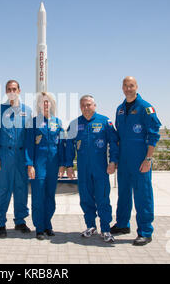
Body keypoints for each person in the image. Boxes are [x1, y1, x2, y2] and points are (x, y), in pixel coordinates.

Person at [110, 76, 162, 246]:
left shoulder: (146, 108)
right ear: (122, 88)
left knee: (142, 195)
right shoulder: (119, 109)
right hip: (124, 160)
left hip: (140, 160)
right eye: (125, 86)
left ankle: (145, 231)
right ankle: (123, 224)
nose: (128, 88)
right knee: (123, 194)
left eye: (131, 85)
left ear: (136, 87)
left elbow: (153, 135)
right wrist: (115, 159)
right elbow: (118, 136)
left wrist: (148, 159)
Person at [66, 95, 118, 243]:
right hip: (83, 169)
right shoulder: (74, 124)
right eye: (83, 105)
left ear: (94, 105)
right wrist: (69, 165)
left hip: (100, 168)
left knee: (102, 198)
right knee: (86, 198)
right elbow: (68, 146)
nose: (86, 108)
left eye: (89, 105)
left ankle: (105, 229)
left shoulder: (104, 122)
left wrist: (113, 161)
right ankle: (90, 226)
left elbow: (114, 143)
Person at [0, 80, 33, 237]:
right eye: (9, 89)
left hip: (21, 156)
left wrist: (30, 162)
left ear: (19, 90)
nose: (12, 91)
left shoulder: (27, 111)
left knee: (21, 189)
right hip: (4, 156)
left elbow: (29, 138)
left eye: (14, 88)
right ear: (6, 92)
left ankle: (20, 221)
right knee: (2, 189)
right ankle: (0, 223)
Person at [25, 92, 65, 240]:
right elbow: (29, 145)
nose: (45, 104)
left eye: (48, 101)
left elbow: (61, 145)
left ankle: (48, 224)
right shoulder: (33, 122)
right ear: (39, 105)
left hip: (53, 164)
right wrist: (30, 164)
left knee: (50, 196)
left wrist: (62, 164)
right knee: (38, 195)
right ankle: (39, 228)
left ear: (52, 104)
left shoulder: (58, 122)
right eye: (42, 102)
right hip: (38, 163)